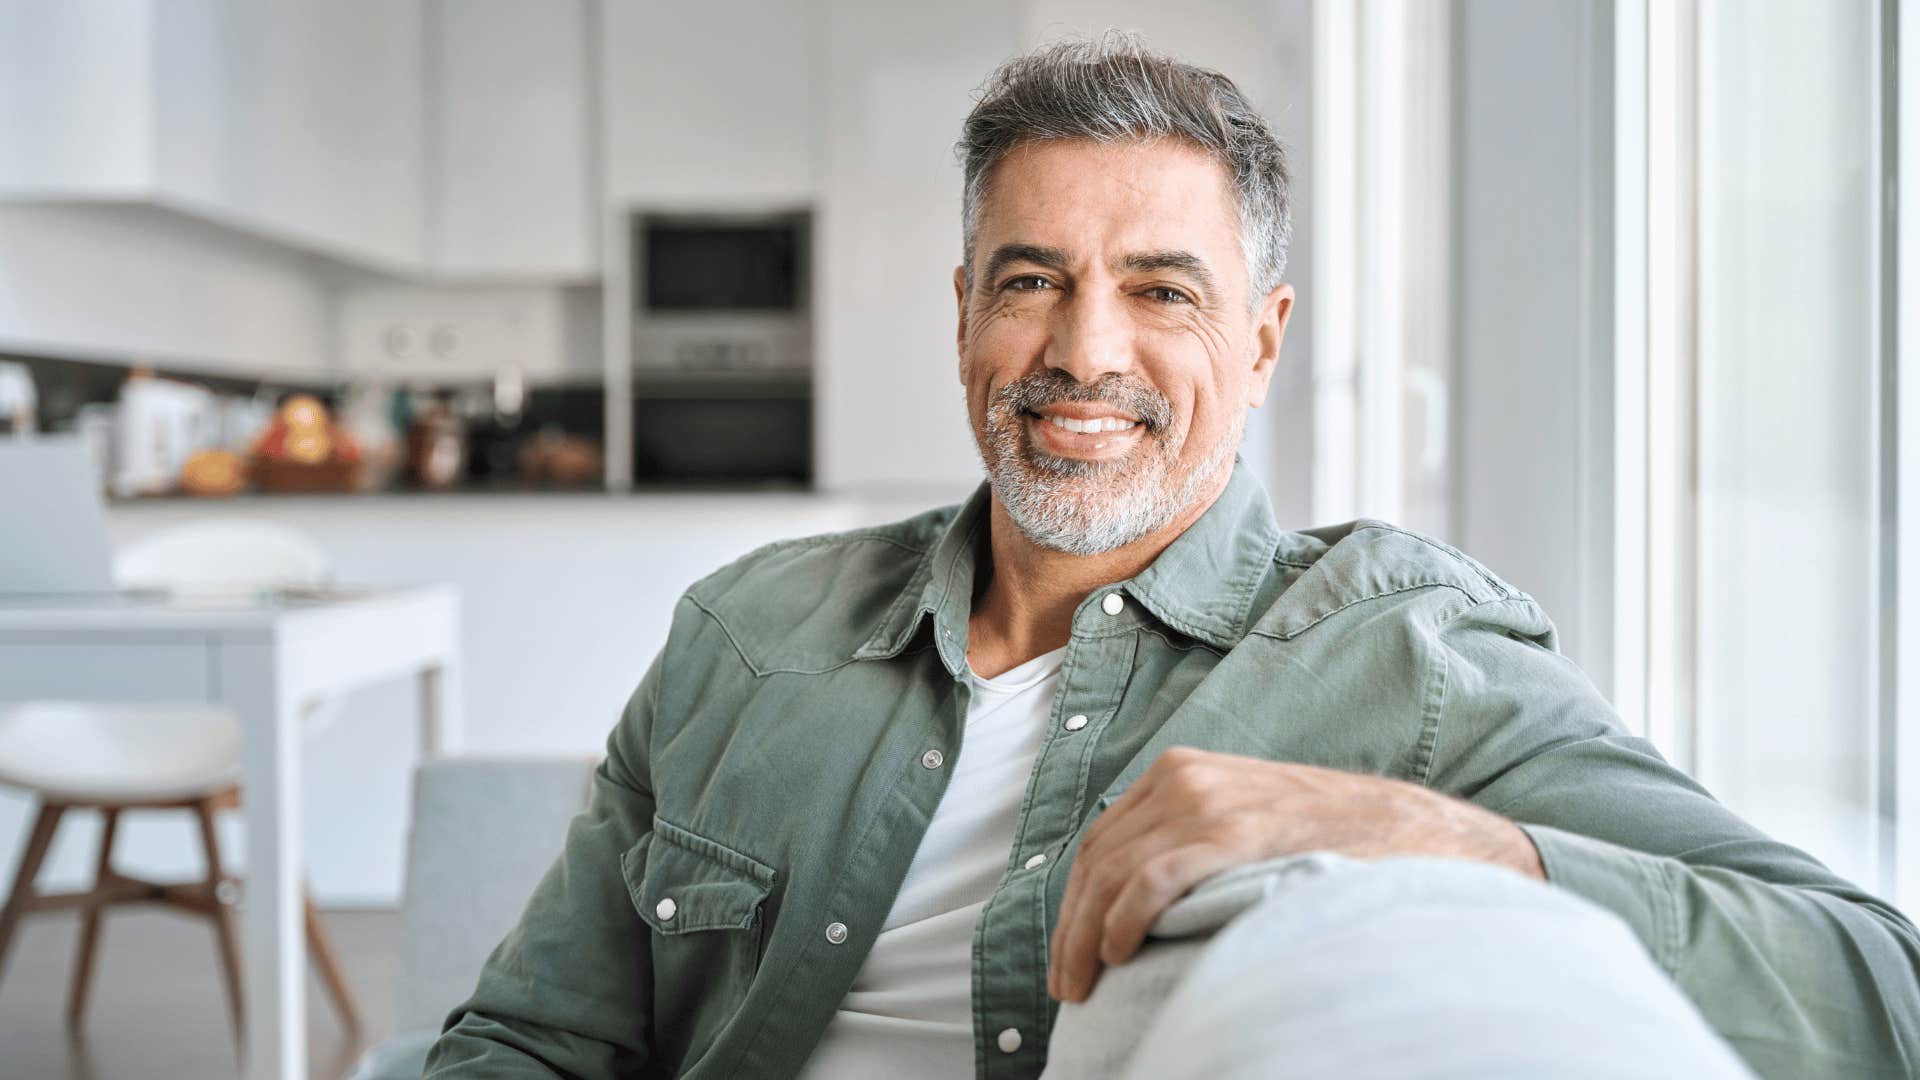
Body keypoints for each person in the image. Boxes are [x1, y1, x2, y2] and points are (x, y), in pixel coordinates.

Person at [425, 36, 1920, 1079]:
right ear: (963, 315)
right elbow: (531, 1042)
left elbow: (1879, 992)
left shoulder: (1405, 653)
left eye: (1160, 291)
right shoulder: (747, 630)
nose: (1084, 353)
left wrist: (1447, 835)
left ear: (1261, 342)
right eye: (1032, 281)